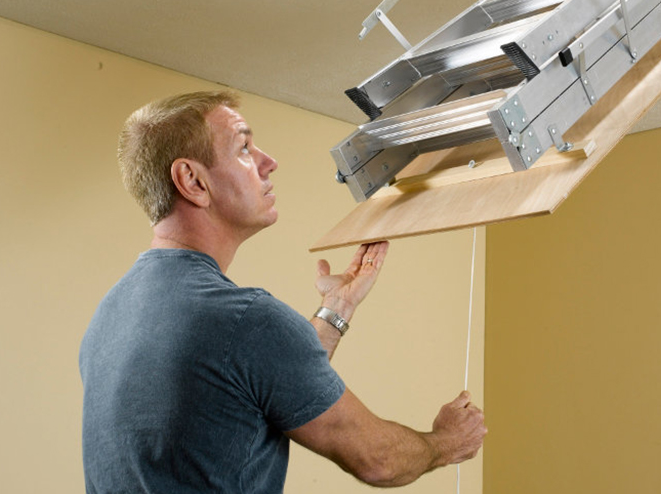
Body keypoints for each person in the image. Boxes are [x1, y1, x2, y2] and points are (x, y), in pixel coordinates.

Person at [80, 91, 486, 493]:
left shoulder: (111, 314)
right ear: (192, 181)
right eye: (243, 148)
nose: (269, 162)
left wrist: (337, 306)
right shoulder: (244, 321)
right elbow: (378, 460)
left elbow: (256, 380)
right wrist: (449, 442)